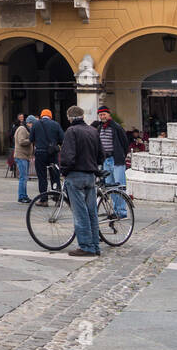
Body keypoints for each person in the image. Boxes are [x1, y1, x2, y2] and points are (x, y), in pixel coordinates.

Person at [58, 106, 104, 256]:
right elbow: (101, 155)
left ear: (69, 117)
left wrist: (63, 171)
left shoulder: (72, 131)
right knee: (91, 212)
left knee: (80, 213)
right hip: (91, 176)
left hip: (76, 175)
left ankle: (86, 246)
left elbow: (68, 156)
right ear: (83, 116)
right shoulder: (93, 131)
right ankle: (95, 245)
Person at [95, 106, 130, 217]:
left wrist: (121, 155)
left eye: (104, 114)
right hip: (106, 160)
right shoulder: (100, 128)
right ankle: (115, 210)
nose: (102, 116)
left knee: (119, 186)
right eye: (100, 115)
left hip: (116, 160)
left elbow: (125, 143)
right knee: (110, 187)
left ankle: (122, 211)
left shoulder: (116, 127)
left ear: (108, 114)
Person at [31, 109, 64, 196]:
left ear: (41, 115)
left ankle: (43, 199)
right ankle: (56, 195)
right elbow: (63, 139)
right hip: (52, 153)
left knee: (42, 177)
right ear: (50, 116)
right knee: (55, 175)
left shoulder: (36, 124)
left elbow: (31, 139)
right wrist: (57, 146)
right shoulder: (56, 124)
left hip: (40, 153)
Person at [14, 115, 35, 203]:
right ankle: (21, 196)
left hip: (24, 156)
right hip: (21, 156)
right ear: (29, 123)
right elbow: (21, 141)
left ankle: (24, 195)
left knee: (25, 177)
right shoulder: (22, 129)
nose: (33, 127)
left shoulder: (26, 129)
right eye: (33, 124)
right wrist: (31, 139)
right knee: (23, 177)